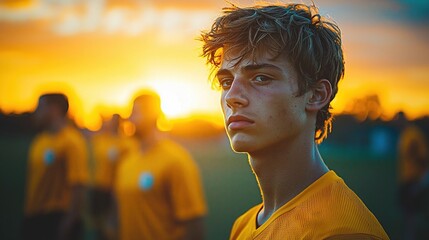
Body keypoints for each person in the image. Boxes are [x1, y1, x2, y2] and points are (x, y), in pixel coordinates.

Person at [200, 3, 389, 239]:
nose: (232, 97)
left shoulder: (343, 231)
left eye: (260, 78)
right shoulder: (243, 225)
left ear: (317, 95)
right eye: (227, 82)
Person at [113, 91, 207, 240]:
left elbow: (193, 224)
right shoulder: (127, 162)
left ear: (152, 115)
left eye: (135, 113)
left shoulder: (176, 160)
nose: (129, 119)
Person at [23, 93, 89, 240]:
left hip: (56, 218)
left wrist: (68, 224)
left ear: (54, 110)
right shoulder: (39, 141)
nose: (35, 112)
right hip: (34, 217)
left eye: (40, 107)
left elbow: (78, 186)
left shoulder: (72, 142)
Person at [88, 114, 131, 240]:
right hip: (97, 187)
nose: (111, 124)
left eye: (114, 121)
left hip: (113, 189)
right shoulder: (100, 140)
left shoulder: (125, 144)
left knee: (111, 224)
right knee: (96, 223)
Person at [397, 113, 429, 240]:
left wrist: (421, 180)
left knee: (413, 213)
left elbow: (423, 158)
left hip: (414, 180)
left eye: (399, 120)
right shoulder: (404, 135)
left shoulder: (414, 135)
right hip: (405, 179)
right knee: (407, 213)